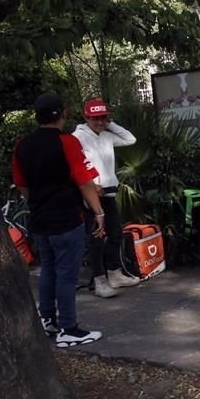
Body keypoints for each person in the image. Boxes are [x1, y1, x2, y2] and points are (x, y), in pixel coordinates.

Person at [12, 93, 104, 347]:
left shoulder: (23, 145)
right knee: (66, 274)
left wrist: (38, 201)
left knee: (48, 270)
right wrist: (99, 212)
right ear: (62, 114)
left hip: (40, 218)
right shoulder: (67, 142)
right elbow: (84, 182)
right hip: (66, 216)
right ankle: (68, 328)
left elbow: (22, 185)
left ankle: (47, 320)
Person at [74, 98, 140, 298]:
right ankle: (99, 279)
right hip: (91, 195)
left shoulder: (107, 135)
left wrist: (110, 123)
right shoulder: (77, 137)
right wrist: (91, 185)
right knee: (95, 238)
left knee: (116, 233)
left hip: (109, 192)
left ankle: (114, 273)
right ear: (86, 117)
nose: (100, 122)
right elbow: (76, 165)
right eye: (95, 118)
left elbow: (130, 139)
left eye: (103, 118)